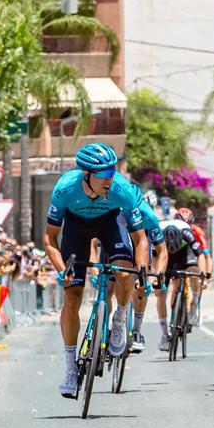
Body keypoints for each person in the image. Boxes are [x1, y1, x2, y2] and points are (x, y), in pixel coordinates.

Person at [44, 143, 149, 398]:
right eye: (103, 175)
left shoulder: (121, 188)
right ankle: (70, 367)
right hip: (76, 228)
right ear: (87, 174)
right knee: (71, 298)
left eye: (112, 172)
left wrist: (142, 272)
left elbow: (141, 239)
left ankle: (120, 318)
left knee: (125, 272)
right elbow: (49, 239)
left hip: (110, 223)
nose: (109, 179)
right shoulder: (65, 189)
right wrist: (62, 270)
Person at [155, 220, 202, 352]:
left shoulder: (187, 233)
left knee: (194, 273)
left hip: (184, 252)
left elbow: (200, 255)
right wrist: (158, 278)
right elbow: (154, 259)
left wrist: (202, 274)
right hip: (164, 255)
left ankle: (194, 302)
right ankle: (164, 334)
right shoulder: (156, 235)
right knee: (160, 294)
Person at [130, 191, 166, 353]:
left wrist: (158, 275)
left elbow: (162, 251)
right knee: (109, 286)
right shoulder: (120, 211)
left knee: (141, 289)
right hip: (121, 244)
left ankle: (136, 331)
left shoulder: (149, 218)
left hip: (142, 251)